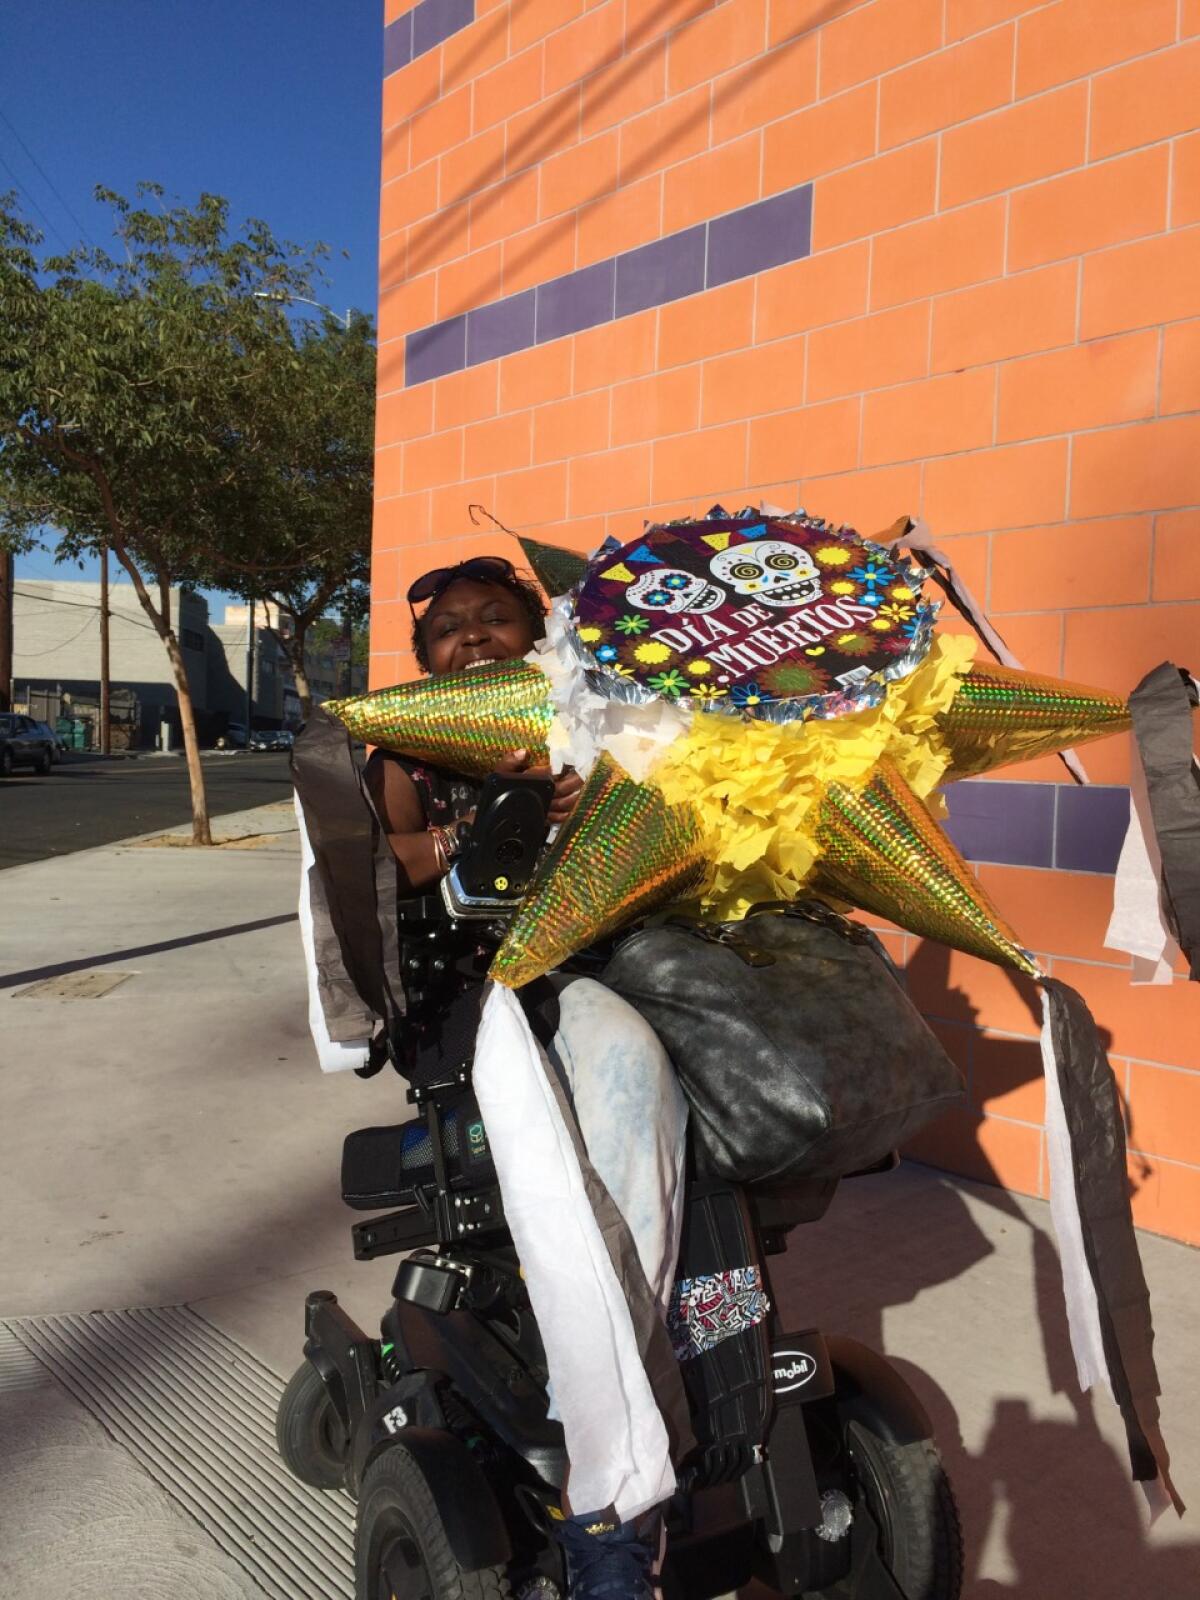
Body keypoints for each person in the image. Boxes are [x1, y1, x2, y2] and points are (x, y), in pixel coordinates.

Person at [364, 554, 689, 1599]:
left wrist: (585, 802)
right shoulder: (405, 745)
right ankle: (608, 1479)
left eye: (494, 619)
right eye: (449, 628)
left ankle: (619, 1371)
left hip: (591, 973)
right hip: (476, 999)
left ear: (534, 633)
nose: (472, 637)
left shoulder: (579, 718)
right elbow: (387, 856)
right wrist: (486, 821)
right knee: (582, 1116)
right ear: (424, 660)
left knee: (660, 1077)